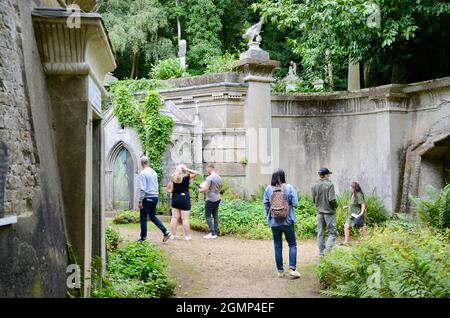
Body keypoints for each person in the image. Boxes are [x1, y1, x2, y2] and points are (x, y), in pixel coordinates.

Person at [263, 169, 300, 279]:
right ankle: (292, 269)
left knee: (277, 245)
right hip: (288, 221)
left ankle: (280, 271)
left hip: (274, 222)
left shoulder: (268, 189)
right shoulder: (289, 187)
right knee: (292, 244)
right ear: (283, 177)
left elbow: (266, 204)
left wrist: (271, 215)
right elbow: (295, 203)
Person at [137, 156, 171, 243]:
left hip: (147, 198)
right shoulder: (154, 172)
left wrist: (140, 201)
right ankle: (165, 232)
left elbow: (143, 189)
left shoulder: (143, 173)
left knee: (143, 217)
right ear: (148, 162)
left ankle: (143, 238)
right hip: (155, 197)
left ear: (141, 163)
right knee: (152, 217)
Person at [167, 164, 198, 241]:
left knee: (174, 218)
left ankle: (173, 235)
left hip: (175, 198)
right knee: (185, 219)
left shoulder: (173, 178)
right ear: (183, 170)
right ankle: (187, 236)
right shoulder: (187, 177)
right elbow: (196, 173)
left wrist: (175, 170)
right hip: (184, 199)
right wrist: (187, 169)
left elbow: (170, 190)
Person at [311, 168, 338, 257]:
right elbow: (332, 199)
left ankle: (321, 253)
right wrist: (336, 206)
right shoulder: (330, 185)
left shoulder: (315, 185)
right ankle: (327, 251)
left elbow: (314, 200)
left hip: (319, 212)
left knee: (320, 232)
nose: (329, 175)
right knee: (332, 233)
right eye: (328, 174)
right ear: (326, 175)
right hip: (329, 213)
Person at [198, 163, 222, 239]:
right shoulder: (219, 177)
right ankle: (215, 231)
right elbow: (219, 187)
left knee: (207, 216)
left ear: (210, 168)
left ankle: (212, 233)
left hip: (210, 199)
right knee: (215, 215)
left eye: (207, 169)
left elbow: (205, 189)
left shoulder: (209, 178)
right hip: (217, 198)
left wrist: (200, 190)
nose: (207, 170)